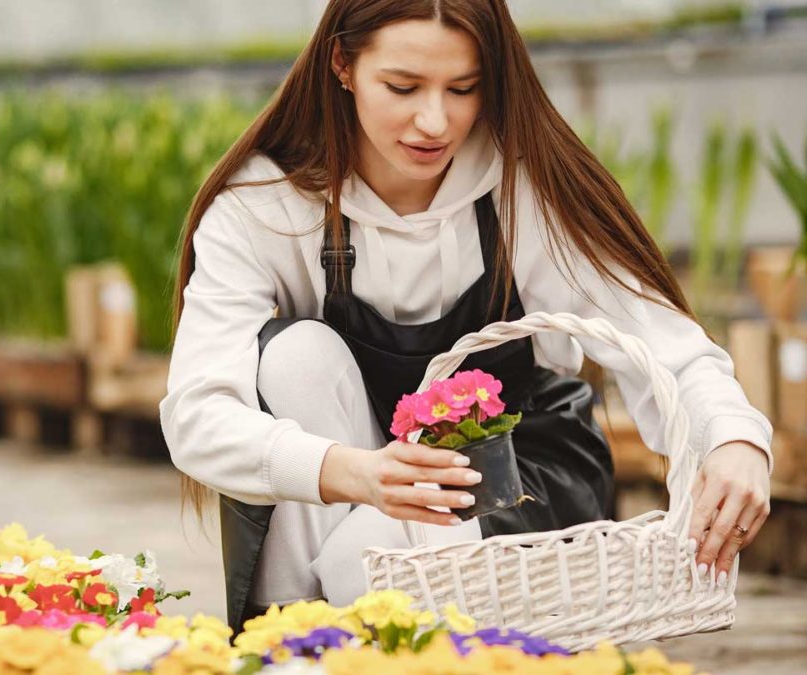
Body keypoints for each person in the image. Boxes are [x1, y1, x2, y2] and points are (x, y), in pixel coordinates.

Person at [159, 0, 773, 635]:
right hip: (364, 474)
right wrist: (357, 473)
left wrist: (735, 439)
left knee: (361, 562)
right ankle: (291, 635)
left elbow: (662, 340)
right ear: (342, 63)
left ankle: (301, 636)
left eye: (463, 88)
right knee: (294, 357)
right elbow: (197, 415)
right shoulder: (266, 203)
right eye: (403, 86)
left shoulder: (523, 183)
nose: (434, 121)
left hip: (517, 471)